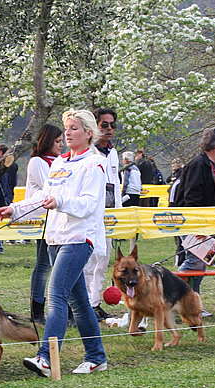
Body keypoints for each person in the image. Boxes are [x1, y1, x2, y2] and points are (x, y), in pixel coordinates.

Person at [0, 109, 108, 376]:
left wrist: (61, 202)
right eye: (66, 128)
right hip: (54, 239)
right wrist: (15, 210)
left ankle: (45, 358)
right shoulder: (58, 163)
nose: (68, 133)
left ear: (89, 133)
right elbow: (42, 199)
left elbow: (89, 205)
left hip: (79, 238)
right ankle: (96, 357)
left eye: (74, 128)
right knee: (79, 302)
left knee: (56, 297)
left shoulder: (95, 163)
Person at [173, 128, 215, 313]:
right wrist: (197, 225)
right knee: (194, 263)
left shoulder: (212, 165)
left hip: (207, 224)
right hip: (194, 223)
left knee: (201, 263)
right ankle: (170, 294)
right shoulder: (198, 164)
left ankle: (190, 303)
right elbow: (191, 198)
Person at [83, 107, 122, 321]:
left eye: (112, 125)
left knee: (103, 261)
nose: (109, 129)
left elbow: (115, 185)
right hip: (90, 217)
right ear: (95, 127)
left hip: (110, 218)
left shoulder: (113, 153)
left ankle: (95, 303)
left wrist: (120, 217)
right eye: (104, 124)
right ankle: (85, 305)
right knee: (90, 261)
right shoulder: (89, 153)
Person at [25, 123, 64, 324]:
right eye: (57, 141)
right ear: (47, 141)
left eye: (62, 141)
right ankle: (37, 309)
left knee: (55, 265)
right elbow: (51, 188)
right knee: (43, 266)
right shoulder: (38, 162)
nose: (61, 145)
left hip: (58, 221)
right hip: (42, 220)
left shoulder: (61, 162)